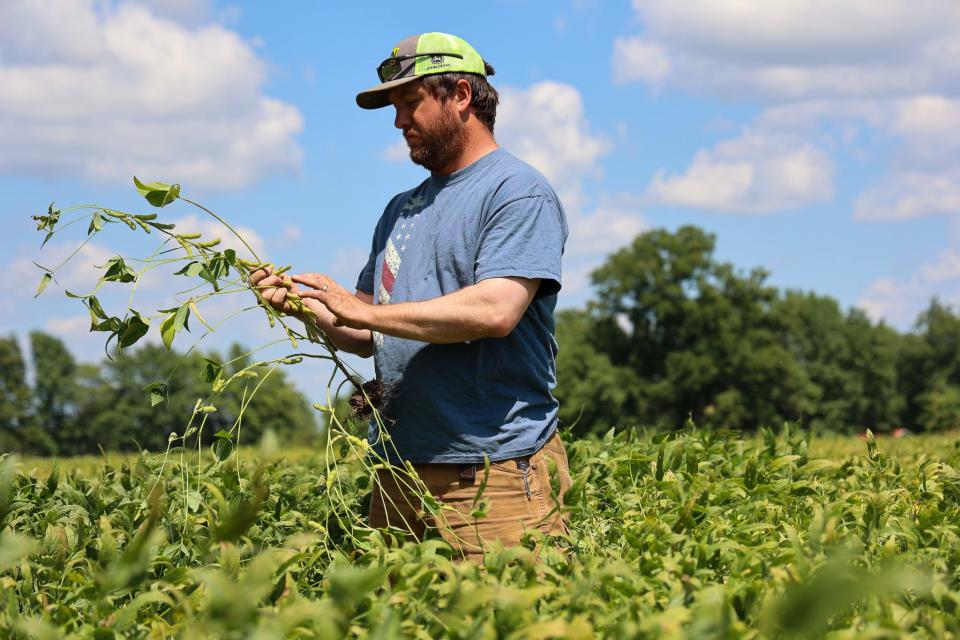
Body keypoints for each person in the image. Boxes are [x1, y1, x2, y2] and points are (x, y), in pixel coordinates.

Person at [251, 32, 571, 559]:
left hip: (492, 475)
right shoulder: (401, 208)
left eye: (409, 104)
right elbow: (361, 331)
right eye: (395, 109)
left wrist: (364, 311)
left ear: (461, 95)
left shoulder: (516, 191)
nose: (399, 122)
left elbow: (496, 310)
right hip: (400, 471)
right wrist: (302, 304)